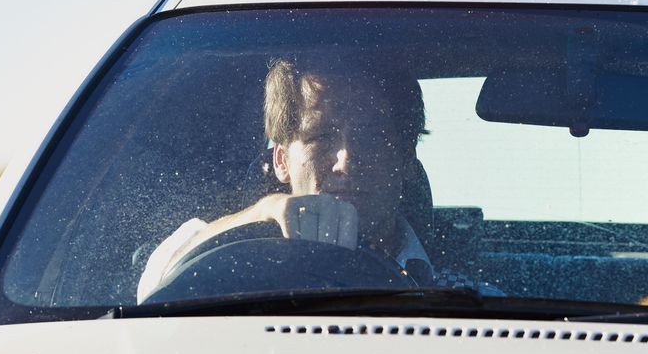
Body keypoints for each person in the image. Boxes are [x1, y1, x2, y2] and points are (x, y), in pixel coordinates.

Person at [136, 55, 440, 301]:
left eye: (372, 138)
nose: (346, 161)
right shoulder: (238, 270)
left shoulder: (459, 274)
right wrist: (260, 214)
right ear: (281, 160)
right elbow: (158, 280)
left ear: (407, 157)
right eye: (321, 137)